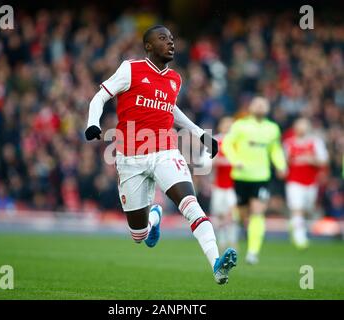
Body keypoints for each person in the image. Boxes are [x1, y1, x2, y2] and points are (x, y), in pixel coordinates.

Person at [84, 25, 237, 284]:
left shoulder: (175, 79)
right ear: (148, 46)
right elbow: (99, 98)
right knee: (138, 235)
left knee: (191, 206)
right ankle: (154, 217)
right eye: (163, 38)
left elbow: (171, 110)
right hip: (129, 156)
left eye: (172, 39)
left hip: (165, 150)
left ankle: (216, 265)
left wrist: (200, 134)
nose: (171, 43)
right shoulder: (129, 69)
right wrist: (92, 123)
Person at [222, 97, 287, 265]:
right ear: (250, 107)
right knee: (243, 216)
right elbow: (227, 144)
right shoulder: (240, 125)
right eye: (257, 103)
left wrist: (281, 165)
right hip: (241, 176)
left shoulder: (272, 128)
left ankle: (252, 252)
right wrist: (235, 160)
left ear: (267, 108)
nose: (260, 106)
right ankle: (239, 238)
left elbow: (275, 150)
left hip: (261, 177)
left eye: (263, 103)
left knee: (258, 212)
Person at [283, 117, 329, 249]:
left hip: (310, 183)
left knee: (308, 208)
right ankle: (300, 238)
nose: (301, 128)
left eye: (304, 125)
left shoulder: (315, 142)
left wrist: (311, 160)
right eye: (299, 125)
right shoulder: (289, 143)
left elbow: (324, 161)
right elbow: (283, 163)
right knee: (297, 209)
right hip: (294, 182)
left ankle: (295, 226)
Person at [202, 117, 239, 250]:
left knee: (233, 214)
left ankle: (233, 241)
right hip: (218, 185)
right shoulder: (214, 141)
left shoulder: (238, 142)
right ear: (220, 126)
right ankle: (222, 241)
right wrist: (214, 161)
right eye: (226, 124)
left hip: (234, 185)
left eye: (231, 124)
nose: (228, 127)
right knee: (220, 213)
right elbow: (204, 164)